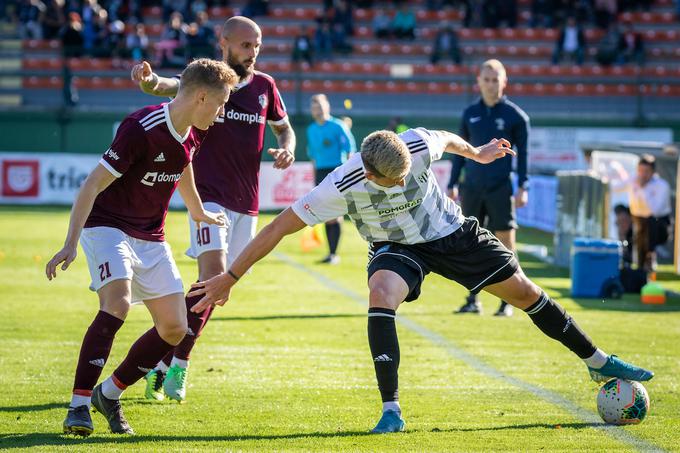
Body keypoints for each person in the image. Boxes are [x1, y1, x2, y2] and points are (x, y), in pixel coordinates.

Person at [186, 127, 654, 434]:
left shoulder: (414, 145)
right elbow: (275, 229)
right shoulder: (338, 187)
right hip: (396, 247)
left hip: (452, 234)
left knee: (528, 294)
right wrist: (230, 276)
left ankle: (596, 361)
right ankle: (391, 410)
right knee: (380, 292)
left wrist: (478, 152)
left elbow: (448, 139)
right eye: (393, 181)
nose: (404, 182)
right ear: (369, 173)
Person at [46, 58, 238, 436]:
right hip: (107, 226)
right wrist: (70, 243)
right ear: (200, 97)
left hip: (151, 234)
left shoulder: (195, 130)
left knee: (174, 328)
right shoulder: (140, 128)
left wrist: (198, 211)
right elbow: (91, 184)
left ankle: (109, 393)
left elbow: (184, 165)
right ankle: (79, 405)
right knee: (117, 304)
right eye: (220, 104)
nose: (221, 113)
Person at [130, 15, 296, 403]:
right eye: (245, 45)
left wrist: (288, 146)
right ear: (224, 43)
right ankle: (177, 370)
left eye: (257, 45)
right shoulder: (209, 81)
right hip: (208, 198)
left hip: (248, 204)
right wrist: (151, 82)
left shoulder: (266, 86)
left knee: (220, 289)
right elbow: (172, 86)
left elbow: (284, 127)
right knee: (213, 275)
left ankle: (162, 361)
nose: (252, 52)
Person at [447, 59, 529, 317]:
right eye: (487, 79)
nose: (491, 84)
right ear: (478, 82)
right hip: (471, 187)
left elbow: (523, 156)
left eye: (496, 80)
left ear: (504, 82)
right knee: (470, 244)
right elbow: (459, 153)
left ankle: (509, 302)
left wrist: (523, 186)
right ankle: (473, 299)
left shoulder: (516, 117)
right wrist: (452, 183)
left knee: (505, 243)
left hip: (500, 188)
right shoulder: (469, 113)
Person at [306, 93, 356, 264]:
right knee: (328, 215)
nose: (317, 110)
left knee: (335, 215)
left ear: (327, 107)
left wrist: (348, 174)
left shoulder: (338, 126)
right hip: (320, 172)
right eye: (314, 107)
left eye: (320, 106)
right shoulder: (311, 129)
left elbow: (350, 150)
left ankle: (334, 254)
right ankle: (331, 254)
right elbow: (313, 155)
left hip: (337, 171)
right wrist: (315, 179)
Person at [611, 155, 672, 272]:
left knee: (648, 224)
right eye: (640, 170)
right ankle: (627, 258)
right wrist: (613, 174)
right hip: (637, 220)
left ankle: (649, 259)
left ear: (653, 172)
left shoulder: (662, 185)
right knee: (622, 213)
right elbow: (615, 187)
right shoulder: (633, 179)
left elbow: (654, 211)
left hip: (658, 225)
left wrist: (642, 189)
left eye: (646, 171)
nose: (642, 174)